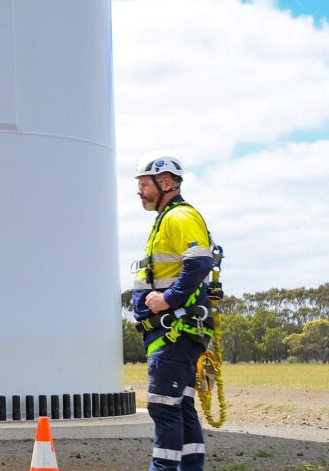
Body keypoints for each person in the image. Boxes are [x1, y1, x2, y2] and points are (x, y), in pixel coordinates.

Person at [132, 156, 215, 471]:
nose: (139, 192)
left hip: (174, 332)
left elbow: (199, 263)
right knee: (181, 408)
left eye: (144, 184)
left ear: (166, 183)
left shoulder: (179, 217)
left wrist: (168, 299)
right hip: (173, 332)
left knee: (164, 409)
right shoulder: (166, 218)